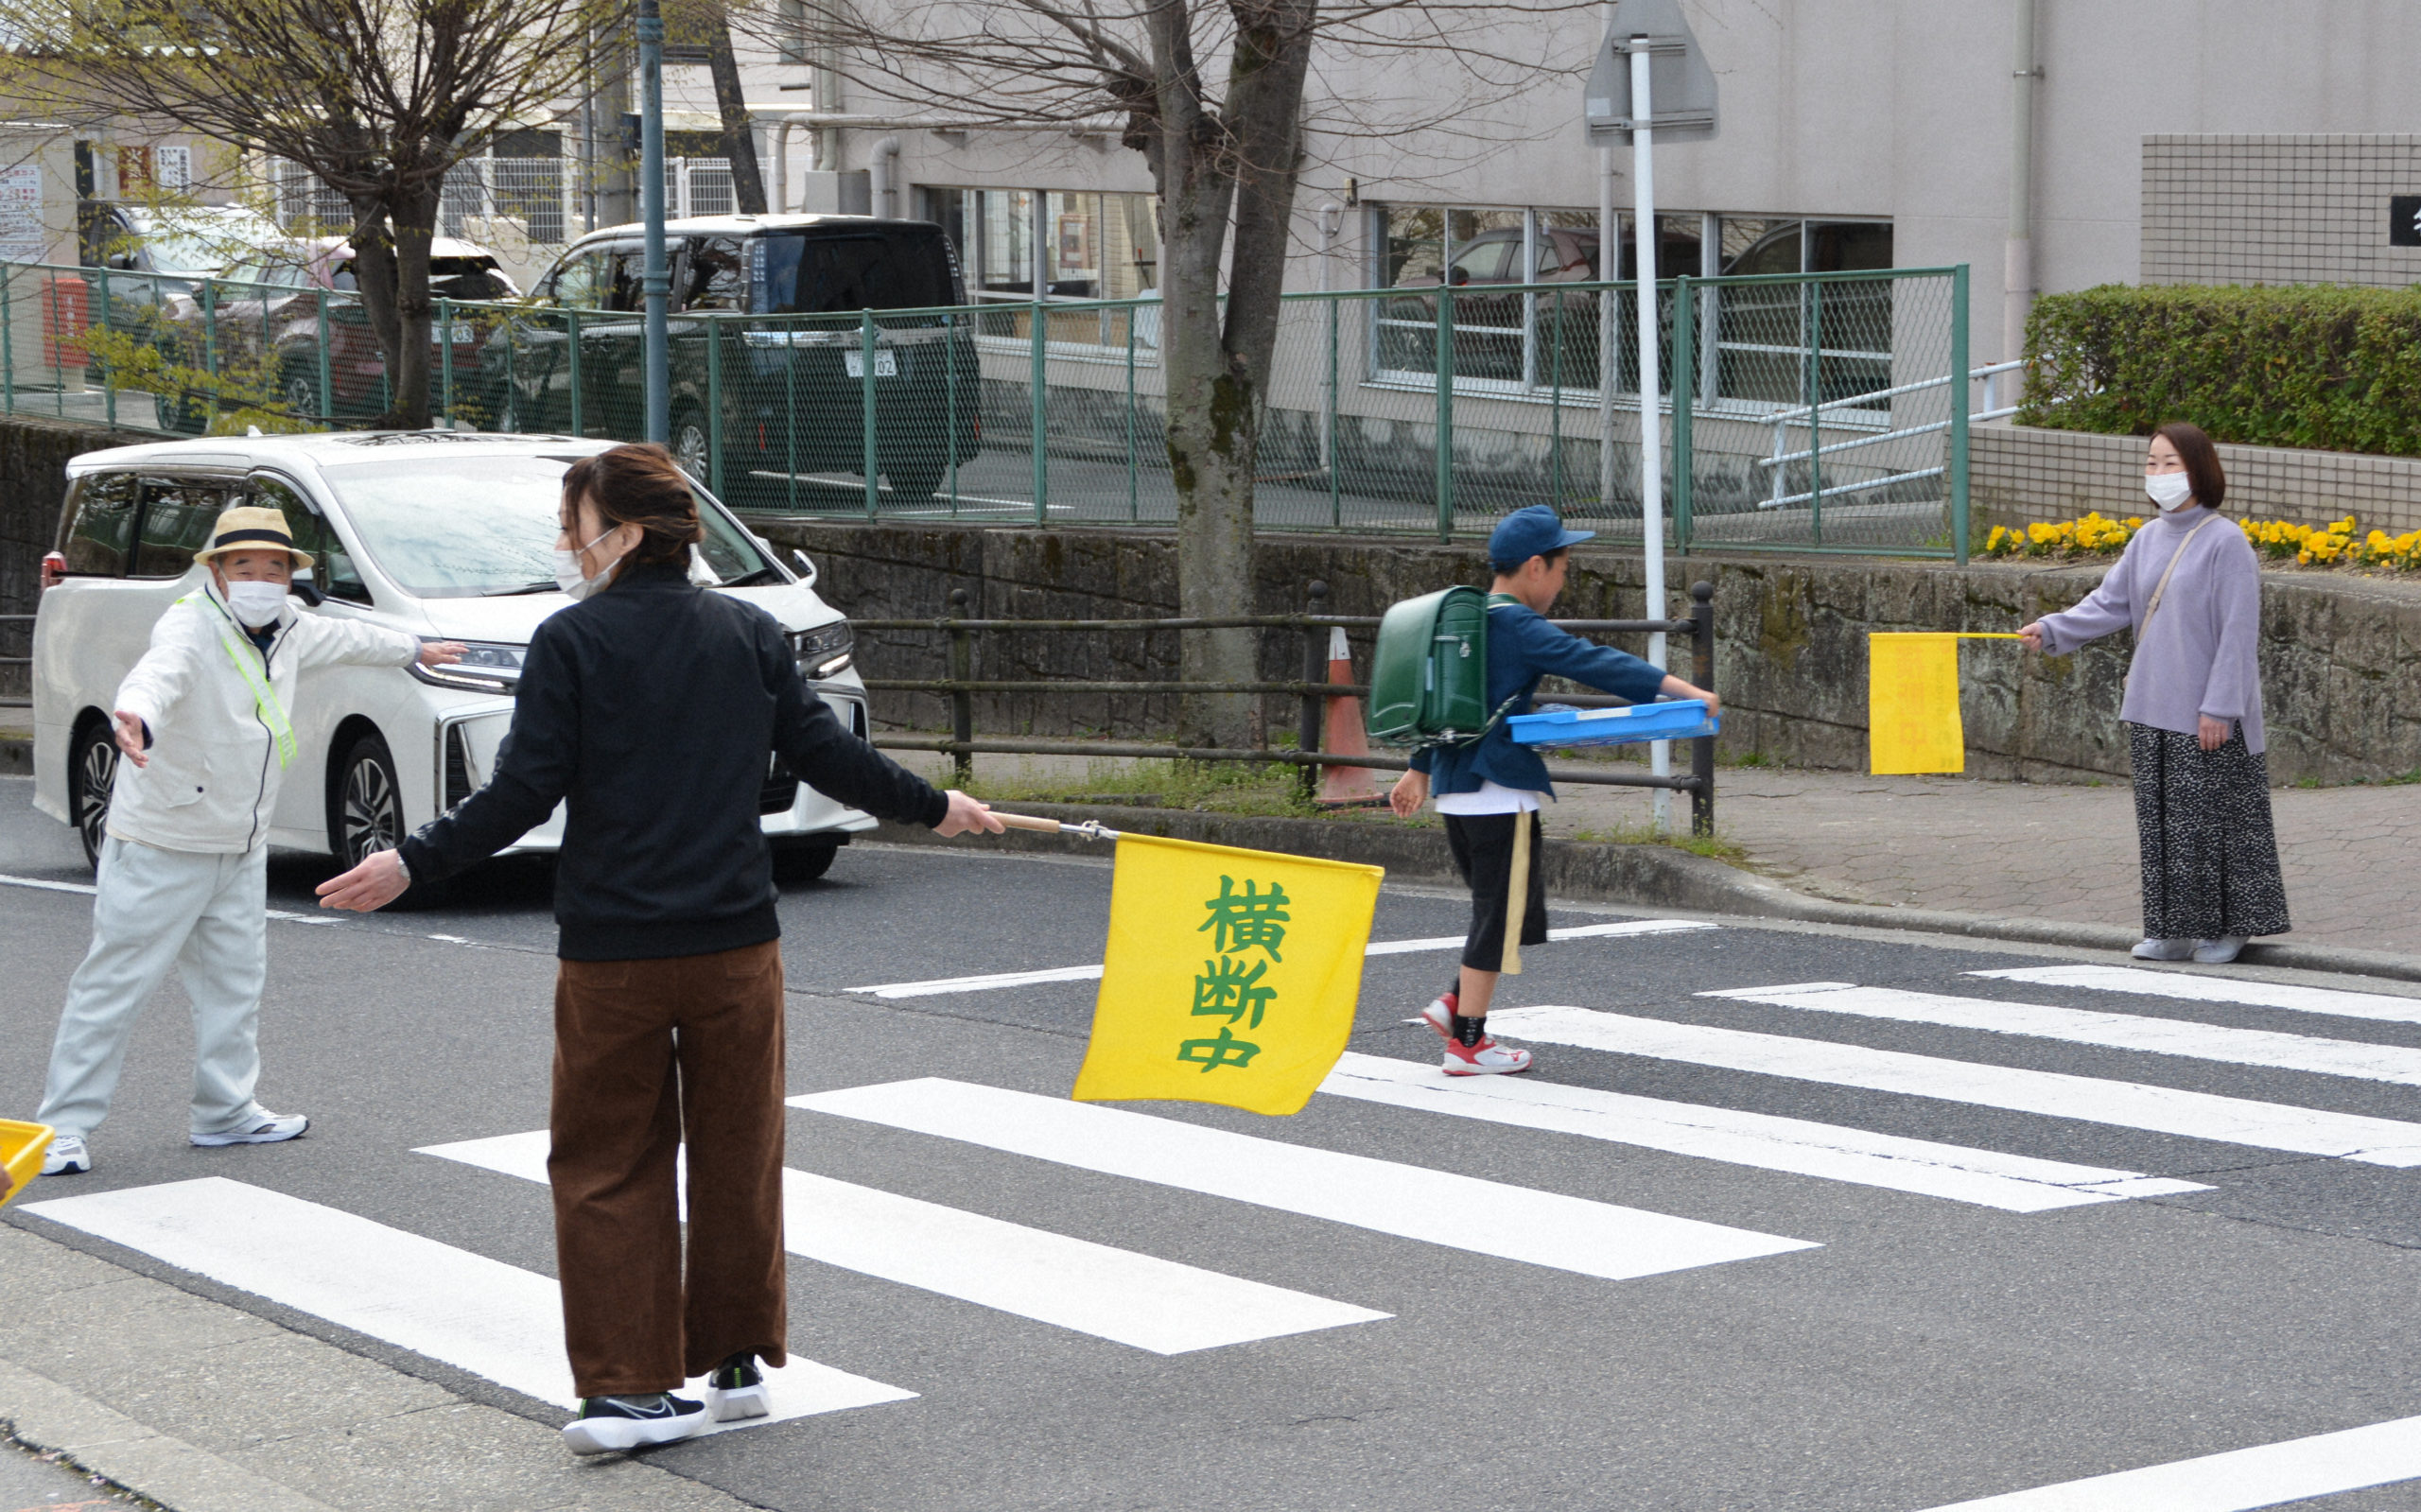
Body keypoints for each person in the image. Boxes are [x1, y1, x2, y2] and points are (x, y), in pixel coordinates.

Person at [316, 443, 1003, 1456]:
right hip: (736, 946)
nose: (563, 545)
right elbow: (828, 754)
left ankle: (629, 1391)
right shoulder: (748, 632)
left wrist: (412, 860)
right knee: (738, 1154)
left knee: (607, 1164)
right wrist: (935, 804)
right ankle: (731, 1360)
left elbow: (522, 792)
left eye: (574, 525)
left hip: (614, 954)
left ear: (626, 535)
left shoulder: (571, 641)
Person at [34, 507, 463, 1177]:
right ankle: (61, 1127)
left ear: (291, 577)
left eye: (274, 568)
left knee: (235, 983)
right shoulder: (189, 622)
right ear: (217, 572)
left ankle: (225, 1110)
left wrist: (414, 649)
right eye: (245, 567)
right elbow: (159, 671)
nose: (262, 579)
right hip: (162, 839)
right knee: (114, 984)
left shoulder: (289, 626)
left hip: (238, 841)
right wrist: (135, 713)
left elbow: (349, 635)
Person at [1388, 506, 1721, 1074]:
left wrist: (1419, 767)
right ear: (1537, 567)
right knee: (1500, 916)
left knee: (1513, 911)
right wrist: (1682, 689)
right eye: (1564, 568)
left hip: (1456, 789)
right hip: (1499, 791)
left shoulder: (1463, 617)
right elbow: (1595, 661)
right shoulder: (1517, 624)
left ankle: (1454, 1005)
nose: (1563, 583)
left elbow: (1437, 697)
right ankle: (1467, 1043)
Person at [2019, 422, 2288, 965]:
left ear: (2199, 469)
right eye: (2152, 463)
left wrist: (2220, 706)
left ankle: (2225, 928)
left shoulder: (2226, 541)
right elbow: (2109, 603)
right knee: (2163, 823)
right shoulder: (2146, 538)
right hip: (2152, 704)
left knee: (2214, 822)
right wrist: (2052, 629)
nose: (2159, 473)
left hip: (2207, 711)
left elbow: (2238, 632)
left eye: (2171, 463)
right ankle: (2171, 929)